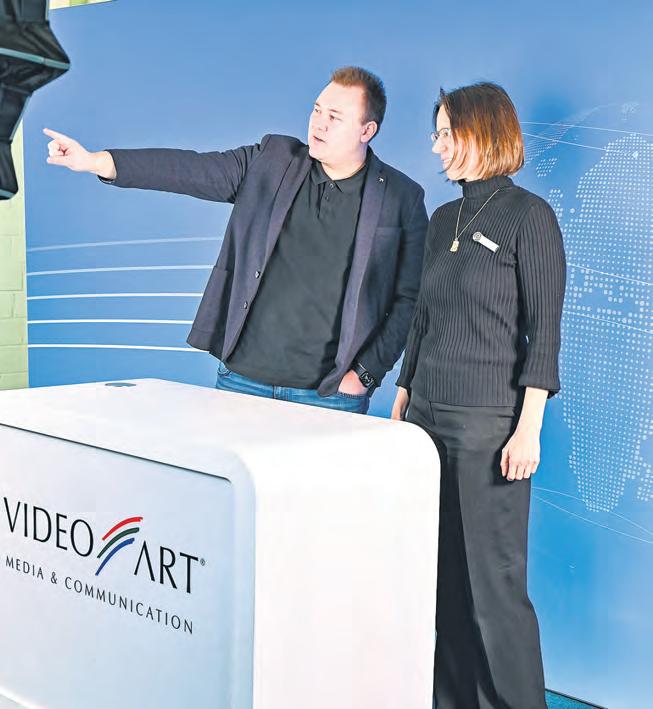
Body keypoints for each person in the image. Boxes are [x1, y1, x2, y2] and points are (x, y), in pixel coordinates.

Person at [45, 66, 428, 414]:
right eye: (317, 110)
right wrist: (97, 161)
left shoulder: (401, 197)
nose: (319, 124)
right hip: (243, 382)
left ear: (366, 130)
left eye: (335, 117)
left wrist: (364, 374)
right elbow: (189, 169)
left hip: (329, 394)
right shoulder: (273, 160)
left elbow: (409, 298)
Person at [391, 82, 565, 708]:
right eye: (436, 132)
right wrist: (403, 394)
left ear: (482, 133)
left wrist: (529, 426)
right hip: (426, 420)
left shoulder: (529, 216)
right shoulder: (444, 220)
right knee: (442, 583)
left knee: (493, 588)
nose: (436, 145)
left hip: (488, 426)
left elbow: (544, 332)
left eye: (446, 133)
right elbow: (423, 318)